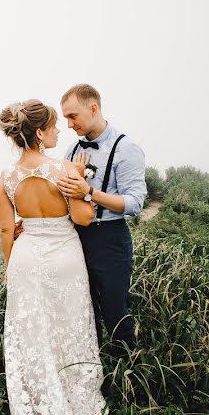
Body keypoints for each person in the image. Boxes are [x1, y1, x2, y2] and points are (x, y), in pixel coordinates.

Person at [0, 99, 106, 415]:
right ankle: (73, 410)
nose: (59, 133)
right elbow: (81, 218)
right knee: (70, 333)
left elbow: (7, 228)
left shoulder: (5, 177)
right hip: (62, 259)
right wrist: (83, 192)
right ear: (40, 132)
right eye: (55, 127)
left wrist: (11, 267)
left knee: (31, 340)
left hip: (26, 261)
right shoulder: (65, 170)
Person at [55, 83, 147, 353]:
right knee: (83, 309)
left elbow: (135, 203)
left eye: (73, 116)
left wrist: (90, 192)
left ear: (93, 108)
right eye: (66, 118)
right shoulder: (70, 152)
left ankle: (128, 374)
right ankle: (92, 368)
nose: (69, 124)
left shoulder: (126, 148)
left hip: (110, 239)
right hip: (74, 238)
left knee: (114, 311)